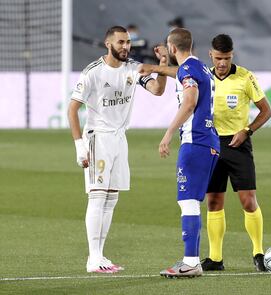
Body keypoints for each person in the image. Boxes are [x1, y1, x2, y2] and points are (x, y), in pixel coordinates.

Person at [68, 25, 167, 273]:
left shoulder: (133, 68)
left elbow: (157, 90)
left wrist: (163, 65)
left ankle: (100, 256)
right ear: (108, 43)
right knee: (98, 196)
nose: (126, 46)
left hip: (119, 139)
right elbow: (72, 109)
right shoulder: (93, 72)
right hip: (98, 137)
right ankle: (93, 258)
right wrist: (80, 145)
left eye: (128, 42)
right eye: (121, 42)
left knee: (111, 198)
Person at [138, 28, 220, 278]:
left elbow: (190, 101)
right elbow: (182, 74)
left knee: (187, 201)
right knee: (192, 201)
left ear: (172, 48)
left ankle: (191, 262)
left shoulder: (189, 70)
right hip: (209, 142)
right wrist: (158, 67)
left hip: (194, 142)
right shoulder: (200, 67)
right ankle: (191, 260)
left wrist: (169, 132)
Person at [201, 34, 271, 272]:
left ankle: (259, 253)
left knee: (248, 201)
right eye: (219, 58)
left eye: (227, 58)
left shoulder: (245, 77)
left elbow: (265, 111)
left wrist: (247, 131)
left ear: (232, 55)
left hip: (238, 144)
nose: (223, 63)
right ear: (211, 54)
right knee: (213, 201)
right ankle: (215, 258)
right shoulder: (203, 77)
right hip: (211, 144)